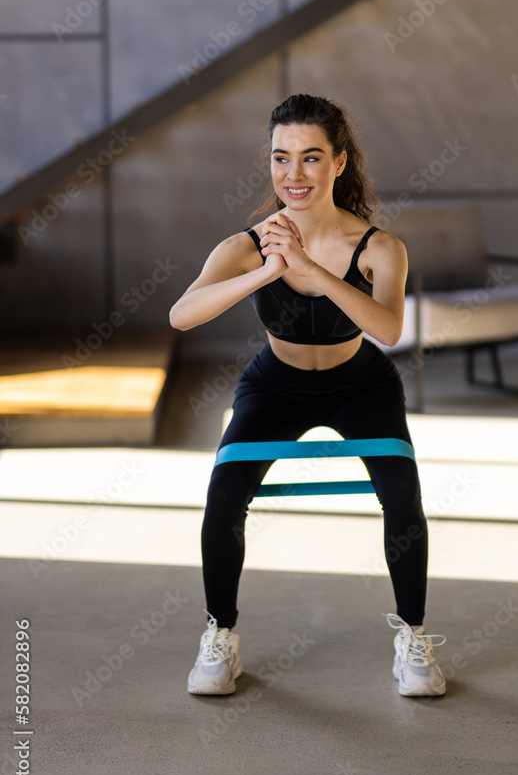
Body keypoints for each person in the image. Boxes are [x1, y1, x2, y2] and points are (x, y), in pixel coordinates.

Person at [169, 93, 446, 698]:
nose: (293, 175)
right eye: (280, 158)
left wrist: (312, 269)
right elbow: (182, 315)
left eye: (311, 158)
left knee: (402, 492)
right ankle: (220, 635)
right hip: (276, 387)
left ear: (339, 164)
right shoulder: (247, 245)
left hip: (361, 386)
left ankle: (415, 638)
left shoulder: (380, 247)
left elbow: (390, 329)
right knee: (224, 494)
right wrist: (266, 272)